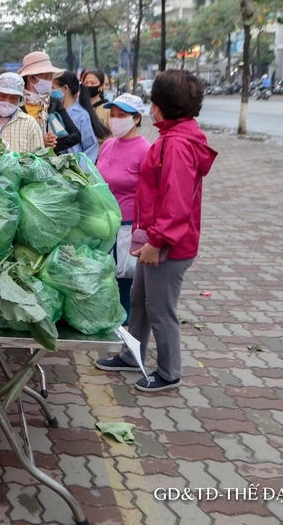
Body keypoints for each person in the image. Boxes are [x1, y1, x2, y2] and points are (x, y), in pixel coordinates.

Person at [96, 70, 217, 392]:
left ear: (159, 107)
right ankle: (129, 354)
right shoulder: (174, 137)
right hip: (155, 238)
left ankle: (168, 372)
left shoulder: (176, 145)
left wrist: (157, 242)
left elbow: (177, 204)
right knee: (138, 300)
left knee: (161, 311)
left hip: (168, 245)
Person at [94, 93, 151, 326]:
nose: (115, 119)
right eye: (113, 115)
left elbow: (150, 192)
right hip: (104, 223)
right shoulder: (107, 145)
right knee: (104, 278)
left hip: (128, 226)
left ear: (136, 118)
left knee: (125, 280)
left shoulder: (145, 149)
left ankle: (125, 337)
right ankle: (107, 325)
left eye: (122, 115)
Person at [17, 52, 81, 153]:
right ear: (30, 78)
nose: (49, 81)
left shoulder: (53, 103)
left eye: (51, 77)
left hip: (48, 163)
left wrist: (52, 143)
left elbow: (76, 135)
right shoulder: (16, 103)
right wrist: (39, 142)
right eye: (45, 77)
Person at [0, 73, 44, 153]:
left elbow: (39, 159)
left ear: (20, 100)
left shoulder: (30, 124)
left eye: (13, 98)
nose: (6, 102)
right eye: (2, 96)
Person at [53, 71, 111, 164]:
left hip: (74, 168)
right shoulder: (52, 109)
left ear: (65, 89)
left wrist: (81, 171)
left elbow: (90, 147)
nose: (50, 91)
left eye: (53, 88)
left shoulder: (81, 115)